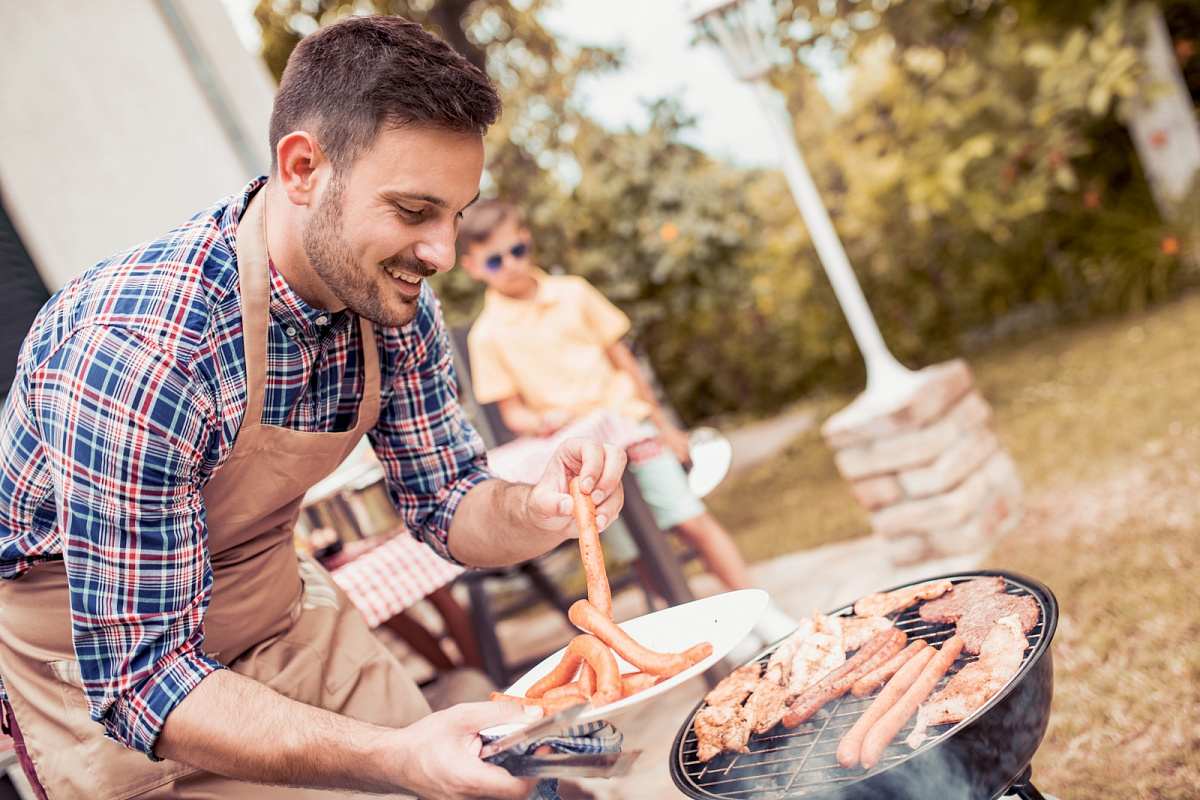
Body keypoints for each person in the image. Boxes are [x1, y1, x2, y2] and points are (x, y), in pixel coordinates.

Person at [0, 16, 628, 800]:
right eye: (412, 210)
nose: (442, 253)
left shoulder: (394, 303)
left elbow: (447, 500)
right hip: (116, 696)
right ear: (302, 168)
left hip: (285, 622)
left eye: (455, 216)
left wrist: (536, 509)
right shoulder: (141, 351)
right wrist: (392, 757)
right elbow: (142, 679)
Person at [456, 199, 798, 644]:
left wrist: (665, 424)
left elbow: (626, 364)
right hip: (583, 459)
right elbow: (512, 412)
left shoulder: (575, 292)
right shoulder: (487, 335)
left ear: (528, 242)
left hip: (632, 427)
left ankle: (762, 612)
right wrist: (541, 419)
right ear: (473, 267)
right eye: (496, 260)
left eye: (517, 250)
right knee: (638, 554)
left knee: (690, 520)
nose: (513, 265)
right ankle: (711, 635)